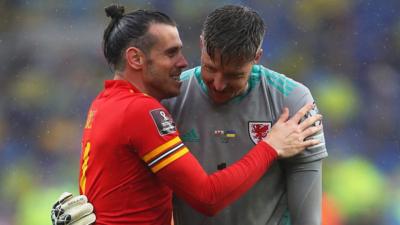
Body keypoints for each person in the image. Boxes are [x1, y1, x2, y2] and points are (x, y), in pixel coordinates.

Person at [50, 4, 322, 225]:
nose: (183, 62)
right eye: (171, 53)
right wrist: (270, 146)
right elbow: (207, 197)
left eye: (234, 74)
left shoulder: (104, 103)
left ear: (257, 57)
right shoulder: (146, 110)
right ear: (135, 59)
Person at [165, 5, 328, 225]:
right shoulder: (169, 98)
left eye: (234, 75)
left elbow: (307, 217)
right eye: (210, 68)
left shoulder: (293, 102)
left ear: (257, 56)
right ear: (202, 44)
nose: (219, 84)